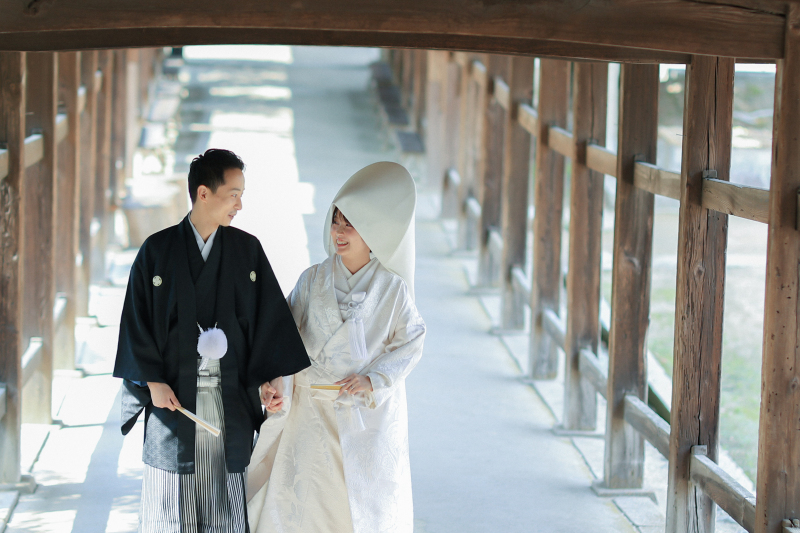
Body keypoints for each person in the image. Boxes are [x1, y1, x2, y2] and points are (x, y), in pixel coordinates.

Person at [113, 148, 310, 533]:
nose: (240, 203)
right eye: (233, 193)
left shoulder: (246, 251)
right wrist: (151, 381)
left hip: (230, 402)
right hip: (173, 403)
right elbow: (135, 324)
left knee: (225, 512)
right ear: (204, 193)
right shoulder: (156, 251)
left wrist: (270, 380)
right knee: (171, 510)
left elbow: (267, 323)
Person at [246, 161, 426, 533]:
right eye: (336, 222)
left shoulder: (392, 289)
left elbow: (411, 340)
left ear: (372, 231)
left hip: (362, 417)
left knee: (356, 509)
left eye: (351, 225)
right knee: (306, 507)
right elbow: (284, 336)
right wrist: (274, 381)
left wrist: (375, 379)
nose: (339, 232)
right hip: (310, 411)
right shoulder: (312, 279)